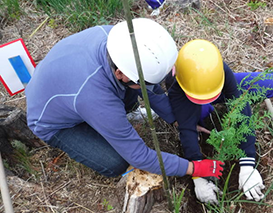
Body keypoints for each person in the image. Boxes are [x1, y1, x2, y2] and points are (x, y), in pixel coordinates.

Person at [25, 19, 224, 182]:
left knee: (133, 89)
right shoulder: (97, 99)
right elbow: (139, 156)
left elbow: (150, 89)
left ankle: (113, 119)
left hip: (67, 86)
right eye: (145, 82)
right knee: (116, 162)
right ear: (120, 73)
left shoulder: (119, 40)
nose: (150, 86)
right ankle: (91, 128)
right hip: (52, 122)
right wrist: (192, 167)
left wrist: (177, 119)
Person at [165, 39, 273, 204]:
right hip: (189, 97)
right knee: (205, 111)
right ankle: (204, 109)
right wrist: (197, 176)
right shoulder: (176, 84)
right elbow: (187, 129)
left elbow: (240, 106)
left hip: (214, 87)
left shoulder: (219, 69)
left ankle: (210, 100)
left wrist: (248, 163)